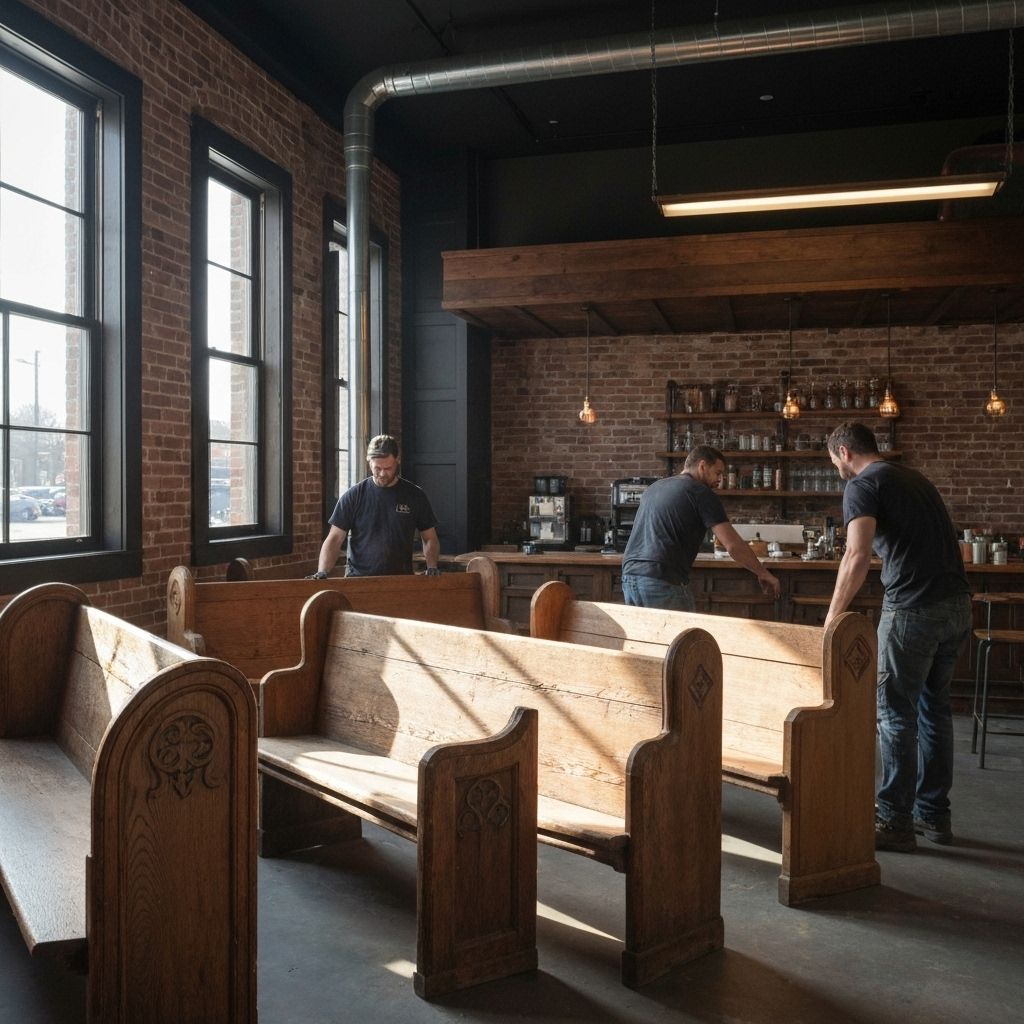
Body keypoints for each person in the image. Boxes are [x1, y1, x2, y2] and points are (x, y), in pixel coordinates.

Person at [823, 422, 970, 852]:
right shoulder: (914, 477)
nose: (836, 468)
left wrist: (834, 616)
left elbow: (857, 553)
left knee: (894, 714)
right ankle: (934, 817)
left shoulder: (863, 485)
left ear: (845, 451)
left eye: (834, 460)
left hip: (913, 610)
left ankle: (894, 821)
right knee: (935, 712)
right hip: (956, 606)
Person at [621, 444, 780, 611]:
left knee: (645, 637)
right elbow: (732, 545)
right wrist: (762, 572)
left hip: (629, 577)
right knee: (685, 636)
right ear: (702, 466)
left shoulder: (654, 488)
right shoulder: (700, 492)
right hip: (662, 579)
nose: (720, 481)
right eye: (718, 473)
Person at [308, 434, 441, 578]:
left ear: (397, 460)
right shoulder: (353, 496)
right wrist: (322, 571)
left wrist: (432, 566)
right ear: (369, 461)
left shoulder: (415, 495)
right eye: (377, 468)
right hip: (358, 580)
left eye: (388, 468)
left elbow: (429, 537)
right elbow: (335, 538)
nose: (383, 473)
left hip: (401, 579)